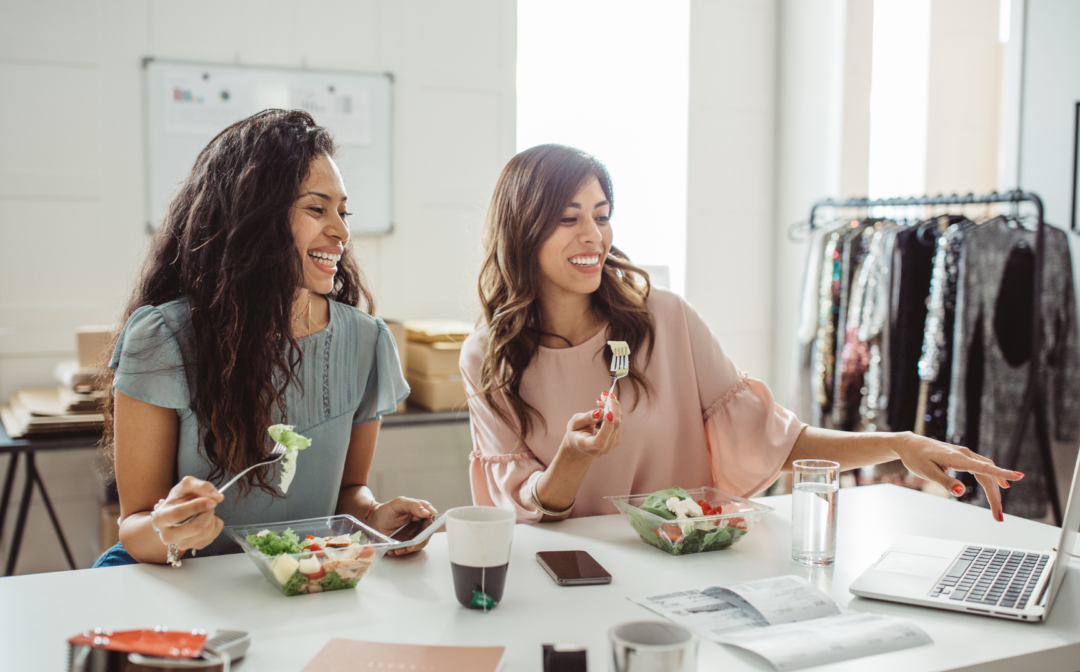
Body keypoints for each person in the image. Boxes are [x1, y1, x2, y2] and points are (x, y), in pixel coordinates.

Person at [460, 144, 1022, 524]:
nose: (594, 235)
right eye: (568, 218)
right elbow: (530, 508)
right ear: (524, 228)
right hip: (567, 581)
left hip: (680, 566)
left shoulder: (666, 320)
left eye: (602, 215)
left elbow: (775, 442)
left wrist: (899, 445)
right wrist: (574, 456)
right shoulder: (489, 358)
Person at [95, 110, 434, 567]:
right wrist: (170, 528)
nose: (341, 230)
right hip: (182, 583)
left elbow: (347, 493)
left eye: (343, 210)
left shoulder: (366, 341)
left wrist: (373, 517)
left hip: (296, 582)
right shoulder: (161, 338)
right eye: (317, 209)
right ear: (253, 216)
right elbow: (136, 525)